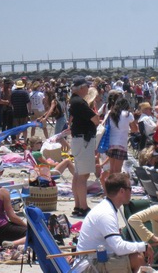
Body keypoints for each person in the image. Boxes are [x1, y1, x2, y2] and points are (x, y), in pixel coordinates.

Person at [77, 173, 154, 273]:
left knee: (137, 254)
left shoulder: (107, 207)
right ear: (122, 191)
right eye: (130, 189)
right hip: (89, 266)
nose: (132, 192)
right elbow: (118, 248)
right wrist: (144, 246)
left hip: (98, 259)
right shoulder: (106, 213)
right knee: (137, 258)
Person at [69, 76, 99, 217]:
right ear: (82, 88)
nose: (88, 89)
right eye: (86, 86)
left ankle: (78, 205)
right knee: (83, 175)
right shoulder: (79, 102)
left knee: (78, 174)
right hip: (83, 140)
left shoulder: (75, 101)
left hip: (79, 140)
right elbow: (95, 119)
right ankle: (83, 206)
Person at [105, 98, 137, 174]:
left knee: (112, 169)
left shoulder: (111, 113)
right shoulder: (128, 114)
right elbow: (135, 129)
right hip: (121, 144)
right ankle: (116, 185)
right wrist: (127, 129)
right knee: (118, 170)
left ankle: (110, 185)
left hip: (111, 143)